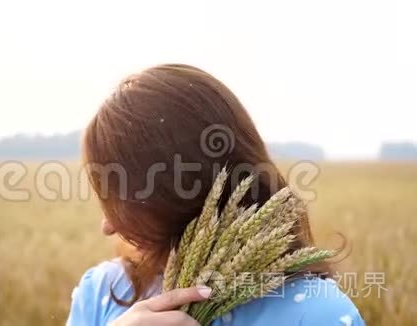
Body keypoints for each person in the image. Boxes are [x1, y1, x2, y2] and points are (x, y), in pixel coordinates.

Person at [67, 64, 364, 325]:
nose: (108, 226)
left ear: (177, 191)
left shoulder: (316, 315)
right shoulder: (101, 291)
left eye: (122, 200)